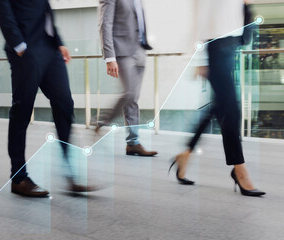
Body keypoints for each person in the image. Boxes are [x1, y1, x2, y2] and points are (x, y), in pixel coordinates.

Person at [0, 0, 95, 197]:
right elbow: (1, 6)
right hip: (26, 50)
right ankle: (19, 177)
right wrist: (19, 46)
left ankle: (72, 175)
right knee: (22, 112)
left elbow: (45, 11)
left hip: (50, 49)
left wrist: (58, 41)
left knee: (64, 104)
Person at [169, 0, 265, 197]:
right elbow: (200, 18)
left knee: (219, 107)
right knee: (231, 111)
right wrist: (200, 59)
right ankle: (239, 169)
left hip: (231, 46)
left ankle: (185, 155)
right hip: (216, 48)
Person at [98, 0, 158, 157]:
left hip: (140, 49)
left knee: (133, 98)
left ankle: (133, 143)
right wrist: (109, 57)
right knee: (129, 93)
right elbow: (105, 24)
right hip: (122, 50)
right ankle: (102, 121)